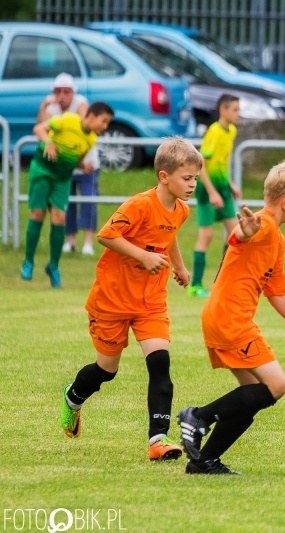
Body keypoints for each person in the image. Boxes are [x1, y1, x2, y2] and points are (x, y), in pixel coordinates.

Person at [178, 160, 285, 475]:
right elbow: (242, 236)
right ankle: (198, 417)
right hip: (230, 318)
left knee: (251, 397)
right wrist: (241, 233)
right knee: (276, 385)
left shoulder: (277, 238)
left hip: (223, 316)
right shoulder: (261, 225)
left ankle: (204, 461)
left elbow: (276, 292)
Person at [59, 138, 202, 461]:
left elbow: (169, 235)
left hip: (150, 299)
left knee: (160, 362)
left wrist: (178, 266)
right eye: (186, 178)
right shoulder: (139, 205)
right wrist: (141, 255)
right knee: (107, 370)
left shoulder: (181, 209)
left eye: (194, 178)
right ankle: (73, 399)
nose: (192, 184)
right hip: (112, 300)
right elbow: (106, 235)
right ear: (164, 177)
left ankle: (158, 440)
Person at [20, 101, 114, 288]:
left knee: (59, 217)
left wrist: (82, 166)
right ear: (91, 116)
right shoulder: (69, 120)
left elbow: (77, 158)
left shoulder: (91, 140)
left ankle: (53, 266)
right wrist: (48, 142)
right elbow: (39, 129)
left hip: (62, 178)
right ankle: (28, 262)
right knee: (37, 213)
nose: (105, 127)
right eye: (104, 121)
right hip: (42, 170)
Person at [36, 73, 100, 256]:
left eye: (66, 91)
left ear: (73, 92)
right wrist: (44, 106)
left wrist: (79, 161)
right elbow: (41, 128)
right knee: (66, 203)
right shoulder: (51, 107)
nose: (61, 96)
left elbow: (82, 128)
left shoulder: (81, 103)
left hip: (87, 162)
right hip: (64, 165)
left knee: (89, 200)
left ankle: (88, 242)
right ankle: (70, 241)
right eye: (58, 91)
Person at [187, 94, 242, 297]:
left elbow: (221, 163)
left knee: (235, 234)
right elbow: (202, 164)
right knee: (207, 235)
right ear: (223, 110)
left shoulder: (232, 131)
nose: (238, 113)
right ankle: (195, 285)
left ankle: (223, 282)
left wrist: (230, 183)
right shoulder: (214, 132)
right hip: (207, 190)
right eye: (235, 110)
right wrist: (211, 192)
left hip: (223, 189)